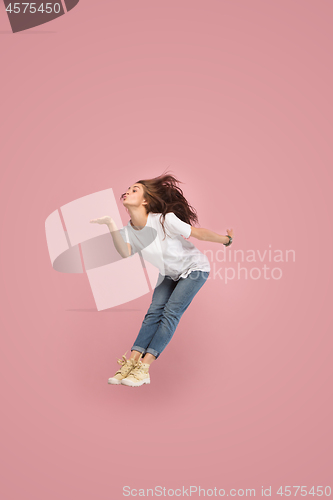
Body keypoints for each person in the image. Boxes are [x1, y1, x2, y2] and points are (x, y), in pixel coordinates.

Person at [90, 172, 233, 387]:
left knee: (170, 313)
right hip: (169, 272)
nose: (128, 191)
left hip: (195, 269)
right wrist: (111, 224)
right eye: (128, 189)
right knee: (153, 313)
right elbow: (125, 251)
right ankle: (131, 364)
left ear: (146, 200)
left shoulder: (164, 220)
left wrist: (227, 240)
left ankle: (144, 369)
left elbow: (199, 234)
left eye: (135, 189)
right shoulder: (130, 229)